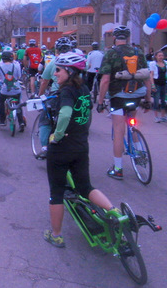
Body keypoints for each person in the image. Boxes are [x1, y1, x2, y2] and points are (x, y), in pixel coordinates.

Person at [43, 52, 115, 248]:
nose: (55, 74)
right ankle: (114, 212)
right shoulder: (83, 89)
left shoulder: (66, 91)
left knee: (56, 192)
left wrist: (56, 136)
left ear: (69, 71)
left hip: (62, 148)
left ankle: (56, 234)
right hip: (81, 146)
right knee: (85, 187)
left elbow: (65, 114)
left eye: (58, 70)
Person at [97, 25, 152, 180]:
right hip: (137, 94)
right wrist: (148, 99)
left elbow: (105, 80)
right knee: (131, 123)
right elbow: (147, 77)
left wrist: (100, 102)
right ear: (128, 38)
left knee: (119, 131)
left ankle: (118, 169)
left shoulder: (111, 53)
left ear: (115, 37)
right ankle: (139, 152)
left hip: (119, 96)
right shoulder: (138, 52)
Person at [37, 37, 72, 157]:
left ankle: (45, 147)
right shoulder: (77, 61)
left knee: (45, 119)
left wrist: (40, 95)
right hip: (76, 94)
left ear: (57, 50)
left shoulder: (53, 62)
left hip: (57, 94)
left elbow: (44, 81)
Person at [0, 50, 24, 129]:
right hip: (16, 89)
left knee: (1, 102)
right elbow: (19, 77)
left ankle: (2, 120)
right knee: (18, 105)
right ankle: (21, 122)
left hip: (5, 90)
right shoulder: (16, 66)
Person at [149, 50, 167, 122]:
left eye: (162, 55)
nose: (161, 57)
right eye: (159, 55)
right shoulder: (153, 64)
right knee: (156, 100)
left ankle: (163, 116)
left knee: (163, 100)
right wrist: (152, 85)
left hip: (164, 83)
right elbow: (151, 74)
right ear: (156, 56)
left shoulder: (166, 63)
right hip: (156, 83)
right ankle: (156, 116)